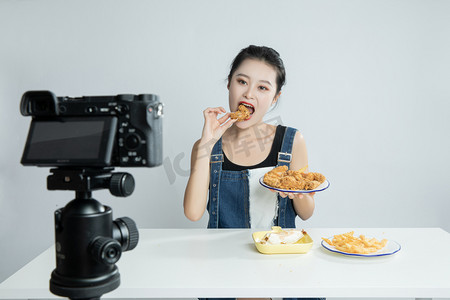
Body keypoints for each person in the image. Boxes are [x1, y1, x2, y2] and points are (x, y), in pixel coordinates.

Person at [183, 45, 324, 300]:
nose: (249, 93)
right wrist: (205, 144)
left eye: (262, 87)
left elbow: (306, 212)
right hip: (224, 268)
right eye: (241, 81)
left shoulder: (292, 141)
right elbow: (193, 213)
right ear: (229, 84)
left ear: (275, 98)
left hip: (283, 267)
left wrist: (296, 192)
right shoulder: (206, 147)